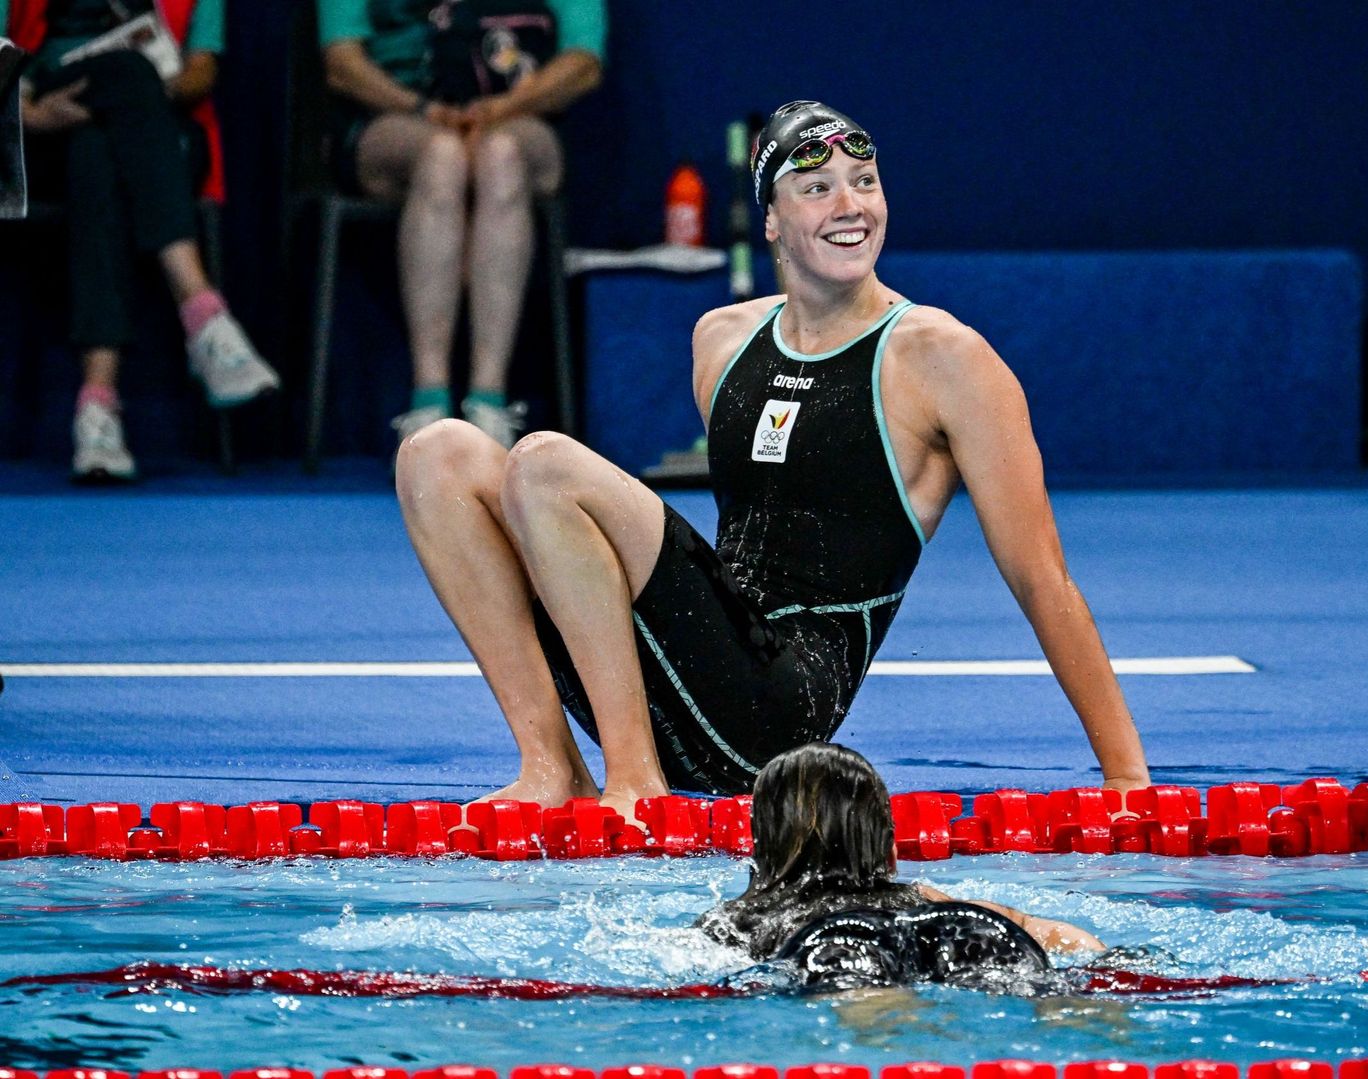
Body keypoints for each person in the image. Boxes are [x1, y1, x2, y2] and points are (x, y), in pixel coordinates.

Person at [395, 100, 1152, 812]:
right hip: (682, 689)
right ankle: (554, 767)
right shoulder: (722, 341)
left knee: (546, 464)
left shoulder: (942, 358)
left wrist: (1127, 775)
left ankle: (636, 783)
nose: (850, 206)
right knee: (438, 455)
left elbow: (1040, 574)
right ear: (772, 222)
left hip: (780, 719)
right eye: (817, 188)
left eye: (864, 183)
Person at [5, 0, 279, 483]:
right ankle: (202, 313)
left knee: (97, 149)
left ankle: (98, 409)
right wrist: (29, 115)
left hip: (161, 131)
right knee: (101, 123)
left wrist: (140, 95)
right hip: (44, 121)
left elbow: (201, 69)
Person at [316, 0, 606, 450]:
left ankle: (488, 405)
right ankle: (429, 407)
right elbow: (342, 64)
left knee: (501, 156)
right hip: (395, 120)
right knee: (443, 156)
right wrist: (424, 110)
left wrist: (501, 108)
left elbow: (584, 62)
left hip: (518, 119)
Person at [696, 742, 1101, 988]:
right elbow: (1040, 931)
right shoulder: (921, 900)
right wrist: (1101, 956)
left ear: (760, 847)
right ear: (888, 848)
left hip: (823, 962)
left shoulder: (732, 923)